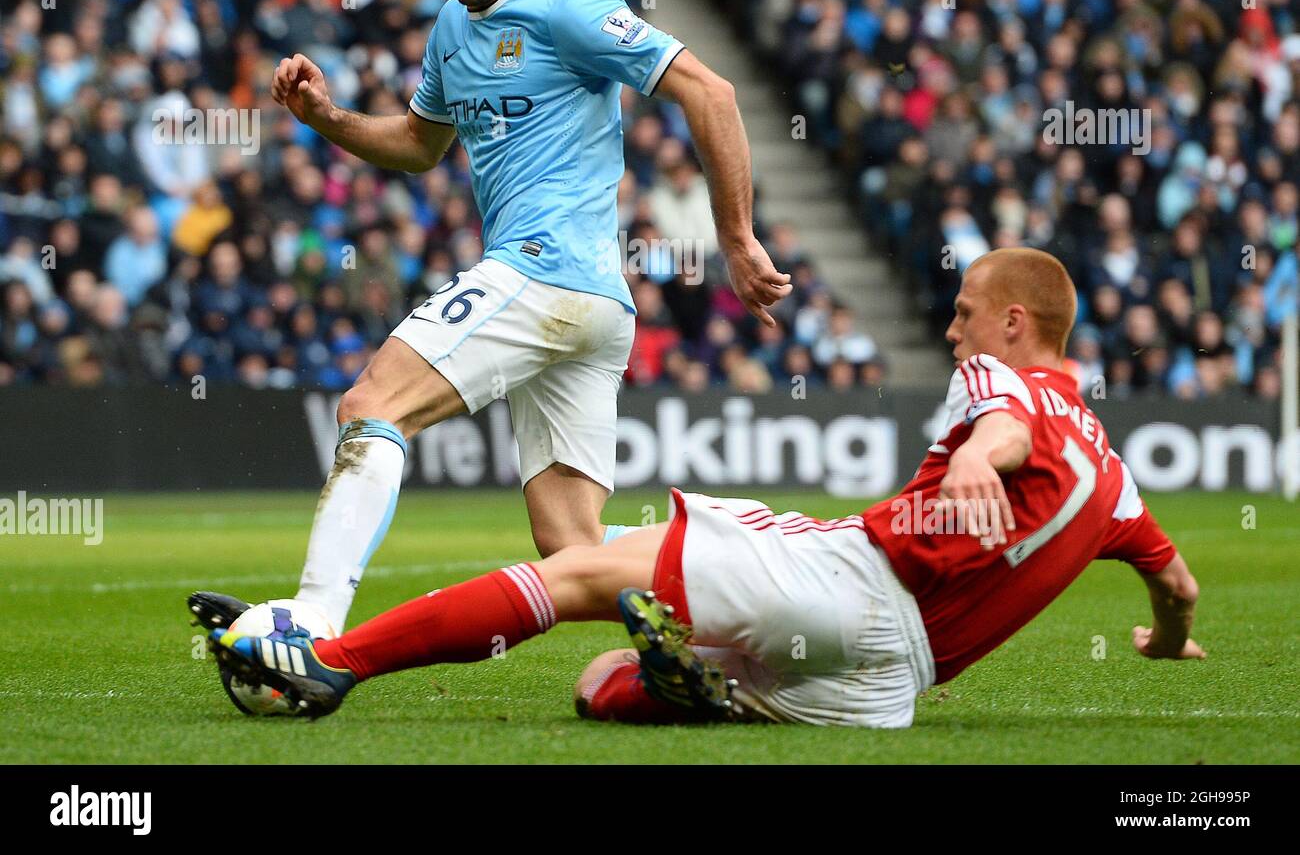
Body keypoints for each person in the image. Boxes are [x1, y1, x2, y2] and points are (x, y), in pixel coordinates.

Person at [188, 0, 790, 676]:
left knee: (373, 402)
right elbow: (417, 144)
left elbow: (710, 91)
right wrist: (324, 116)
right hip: (584, 307)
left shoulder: (570, 11)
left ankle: (309, 623)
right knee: (573, 545)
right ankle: (757, 559)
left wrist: (736, 238)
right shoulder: (450, 29)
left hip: (549, 276)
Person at [208, 247, 1203, 726]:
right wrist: (1159, 640)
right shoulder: (1116, 482)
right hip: (887, 690)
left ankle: (332, 659)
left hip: (852, 586)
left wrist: (984, 458)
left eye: (963, 312)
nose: (952, 331)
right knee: (599, 687)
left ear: (1016, 323)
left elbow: (1004, 430)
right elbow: (1179, 590)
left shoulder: (1001, 379)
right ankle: (699, 681)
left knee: (586, 572)